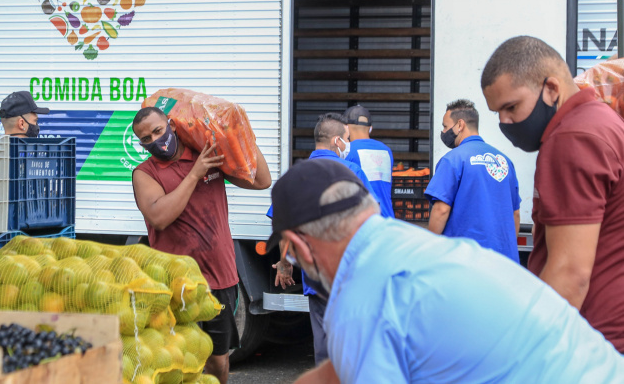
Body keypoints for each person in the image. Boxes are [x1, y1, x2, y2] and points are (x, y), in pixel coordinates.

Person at [265, 159, 624, 384]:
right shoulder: (407, 246)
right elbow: (337, 373)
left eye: (290, 252)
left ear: (301, 243)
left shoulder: (361, 301)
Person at [481, 35, 624, 351]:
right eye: (497, 114)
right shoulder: (602, 120)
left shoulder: (572, 138)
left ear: (551, 89)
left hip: (587, 344)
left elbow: (569, 273)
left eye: (511, 107)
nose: (505, 123)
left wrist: (520, 351)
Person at [130, 106, 271, 384]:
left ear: (170, 124)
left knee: (218, 361)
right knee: (181, 361)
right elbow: (160, 217)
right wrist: (195, 174)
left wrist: (241, 135)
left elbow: (261, 181)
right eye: (146, 139)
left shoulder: (206, 156)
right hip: (176, 286)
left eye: (158, 131)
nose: (155, 141)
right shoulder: (145, 173)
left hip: (220, 278)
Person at [267, 113, 381, 366]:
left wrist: (285, 264)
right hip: (351, 274)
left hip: (316, 276)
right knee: (354, 345)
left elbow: (283, 226)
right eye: (348, 140)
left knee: (324, 344)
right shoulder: (353, 172)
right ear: (337, 141)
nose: (348, 145)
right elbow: (373, 220)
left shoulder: (294, 176)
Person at [424, 99, 522, 262]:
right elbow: (515, 213)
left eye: (445, 126)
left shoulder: (452, 160)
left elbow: (441, 210)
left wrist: (429, 251)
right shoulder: (504, 161)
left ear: (459, 125)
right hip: (503, 260)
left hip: (466, 260)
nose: (443, 131)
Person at [342, 105, 394, 218]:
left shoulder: (346, 151)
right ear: (370, 128)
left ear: (345, 127)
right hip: (387, 218)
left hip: (363, 221)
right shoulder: (386, 150)